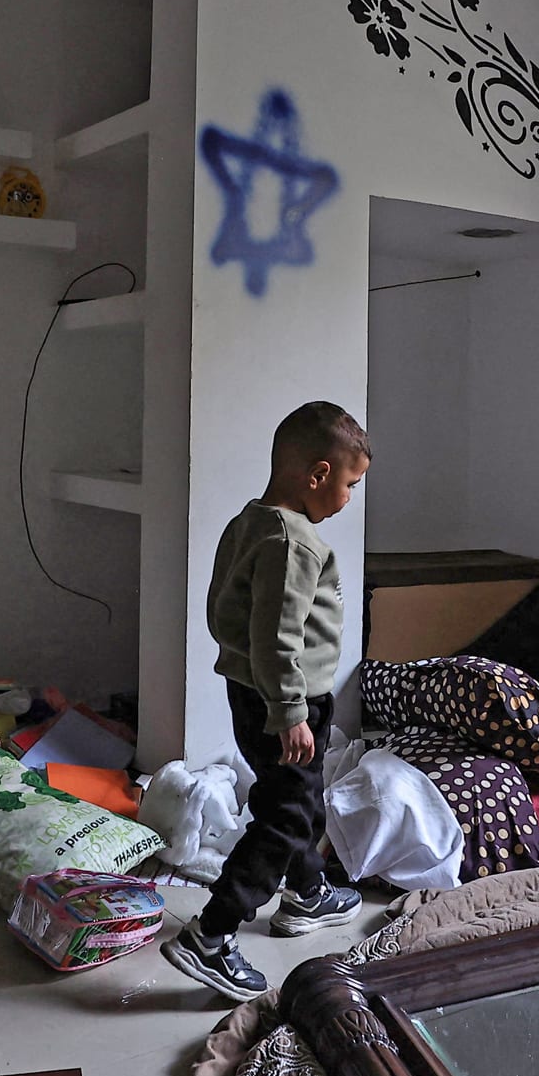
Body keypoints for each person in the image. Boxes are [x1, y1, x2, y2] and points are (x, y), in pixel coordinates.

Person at [163, 401, 370, 999]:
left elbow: (226, 614)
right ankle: (211, 934)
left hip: (260, 694)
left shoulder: (250, 522)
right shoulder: (294, 543)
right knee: (284, 814)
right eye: (350, 485)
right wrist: (291, 713)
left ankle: (307, 893)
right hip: (285, 702)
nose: (350, 499)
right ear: (318, 475)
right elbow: (275, 635)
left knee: (298, 798)